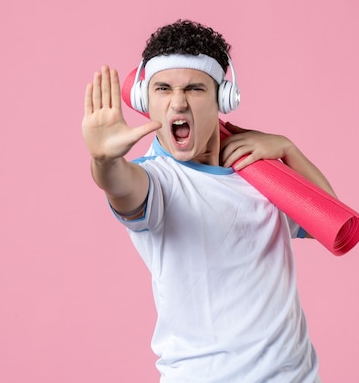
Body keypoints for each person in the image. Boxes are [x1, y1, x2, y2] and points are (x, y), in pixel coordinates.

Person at [81, 19, 336, 383]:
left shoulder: (257, 171)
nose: (178, 102)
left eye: (195, 88)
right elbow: (122, 188)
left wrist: (287, 149)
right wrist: (105, 161)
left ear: (223, 99)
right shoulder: (159, 180)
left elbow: (327, 220)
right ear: (145, 100)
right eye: (163, 89)